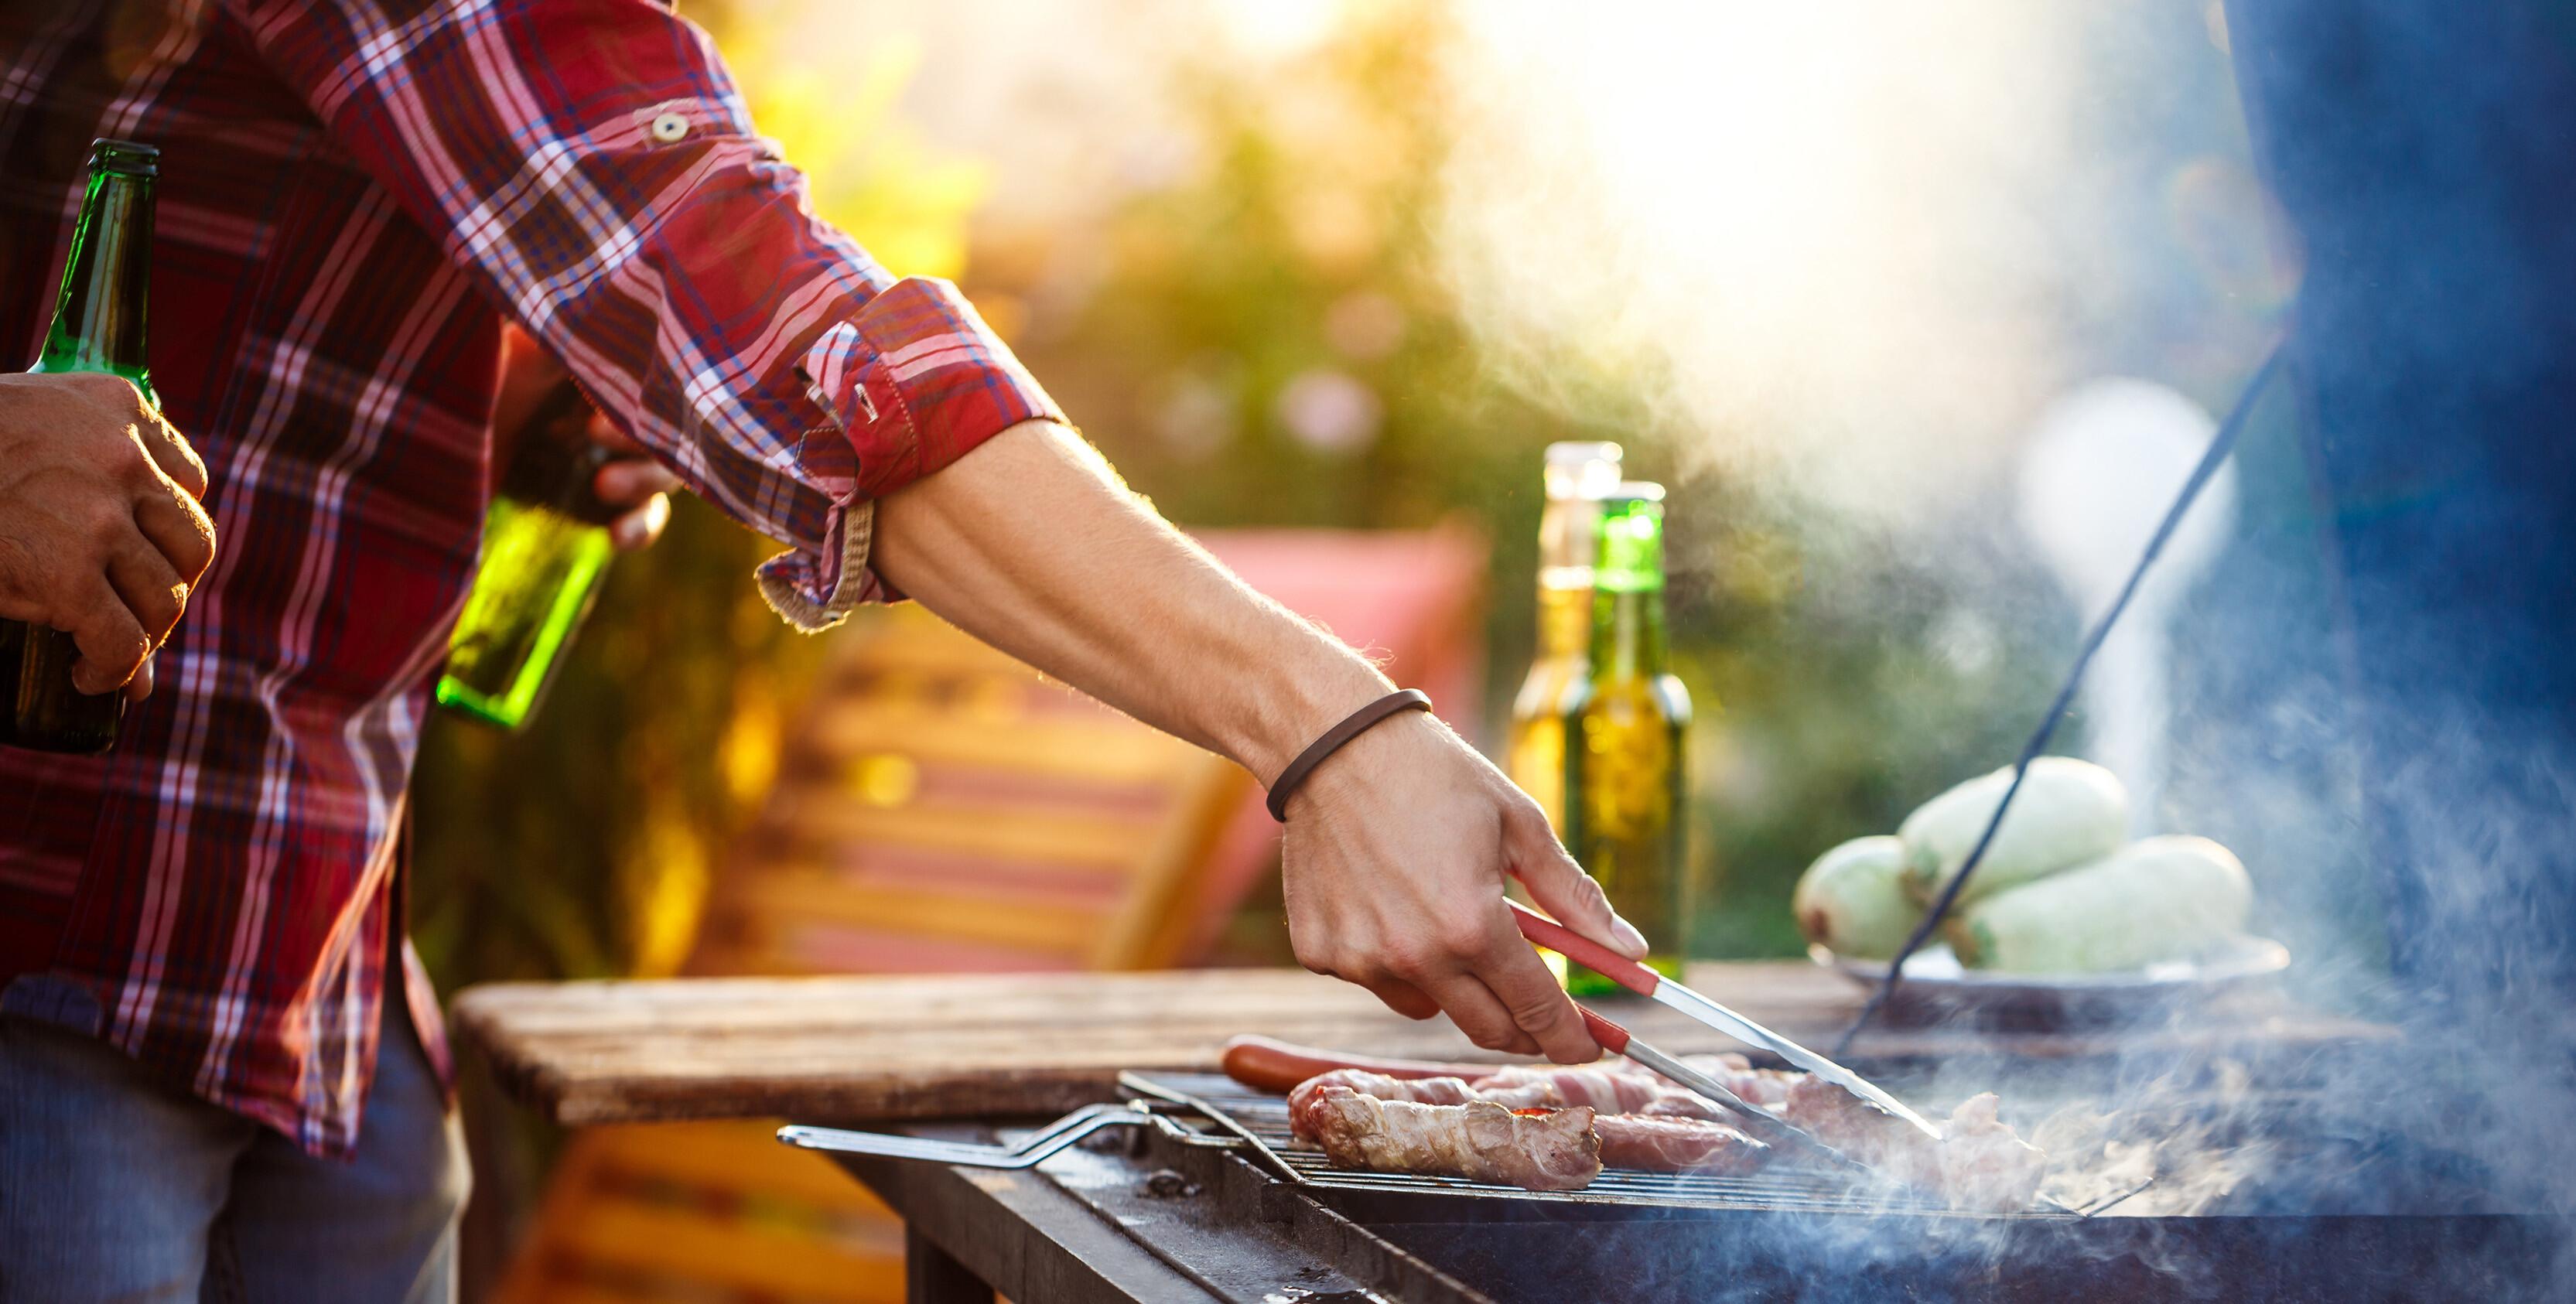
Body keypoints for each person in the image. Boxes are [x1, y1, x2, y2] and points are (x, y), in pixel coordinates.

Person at [0, 2, 1644, 1299]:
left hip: (321, 960)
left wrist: (513, 416)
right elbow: (793, 338)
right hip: (66, 961)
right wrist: (1332, 730)